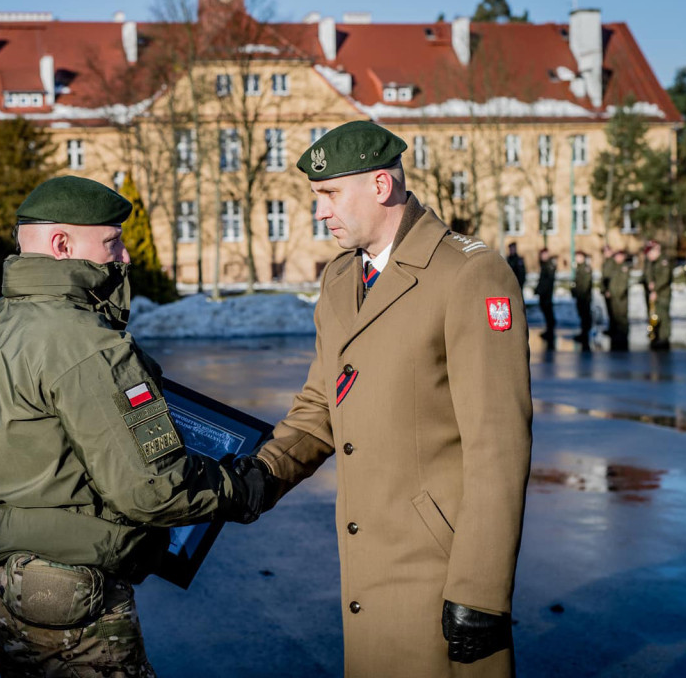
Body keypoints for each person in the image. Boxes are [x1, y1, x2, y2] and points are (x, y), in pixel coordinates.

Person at [0, 175, 267, 678]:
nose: (125, 258)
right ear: (62, 244)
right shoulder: (89, 343)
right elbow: (153, 490)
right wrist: (243, 488)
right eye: (112, 242)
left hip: (1, 587)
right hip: (69, 591)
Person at [251, 121, 532, 677]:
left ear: (381, 187)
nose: (320, 212)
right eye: (316, 197)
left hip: (438, 568)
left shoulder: (468, 274)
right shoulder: (339, 280)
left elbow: (497, 446)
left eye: (330, 194)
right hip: (366, 562)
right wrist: (259, 475)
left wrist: (480, 590)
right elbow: (320, 406)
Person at [644, 241, 672, 351]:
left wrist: (655, 289)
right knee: (654, 316)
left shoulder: (663, 261)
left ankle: (664, 337)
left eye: (650, 253)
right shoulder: (652, 262)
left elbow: (664, 278)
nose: (649, 257)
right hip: (654, 293)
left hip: (663, 294)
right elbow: (648, 275)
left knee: (663, 315)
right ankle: (656, 335)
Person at [606, 250, 631, 351]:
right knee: (615, 316)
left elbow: (623, 283)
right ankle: (617, 335)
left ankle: (623, 336)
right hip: (614, 295)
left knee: (622, 317)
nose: (617, 258)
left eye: (619, 256)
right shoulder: (614, 267)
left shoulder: (624, 268)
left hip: (621, 297)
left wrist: (619, 294)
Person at [535, 248, 556, 350]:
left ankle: (550, 332)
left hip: (547, 294)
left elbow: (547, 282)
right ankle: (549, 330)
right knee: (546, 311)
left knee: (548, 313)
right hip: (544, 293)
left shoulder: (548, 266)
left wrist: (542, 291)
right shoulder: (544, 265)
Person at [572, 250, 594, 351]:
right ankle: (583, 332)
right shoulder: (579, 268)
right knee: (582, 314)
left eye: (579, 257)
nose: (577, 259)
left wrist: (580, 294)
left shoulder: (585, 268)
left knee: (585, 314)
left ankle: (585, 334)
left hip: (584, 297)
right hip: (580, 296)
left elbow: (585, 284)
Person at [600, 244, 614, 335]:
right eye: (604, 251)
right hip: (606, 291)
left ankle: (615, 330)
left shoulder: (613, 263)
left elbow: (613, 278)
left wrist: (610, 290)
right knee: (609, 311)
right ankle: (611, 328)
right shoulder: (605, 263)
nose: (606, 253)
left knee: (614, 313)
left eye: (608, 251)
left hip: (611, 291)